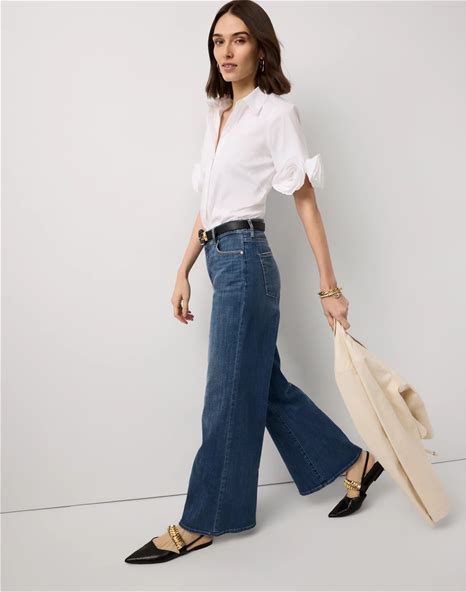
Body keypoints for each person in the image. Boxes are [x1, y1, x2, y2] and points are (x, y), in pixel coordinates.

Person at [125, 0, 384, 565]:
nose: (226, 51)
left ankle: (202, 521)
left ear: (260, 48)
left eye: (239, 39)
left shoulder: (275, 114)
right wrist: (182, 269)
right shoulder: (217, 116)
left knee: (226, 393)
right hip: (220, 259)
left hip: (247, 259)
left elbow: (305, 200)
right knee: (263, 387)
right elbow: (208, 206)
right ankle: (355, 463)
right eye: (218, 41)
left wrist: (329, 287)